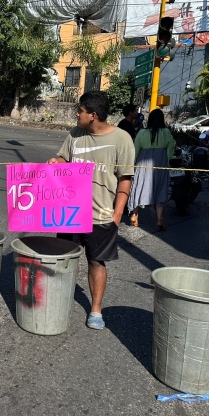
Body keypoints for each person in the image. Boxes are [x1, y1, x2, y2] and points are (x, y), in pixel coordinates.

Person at [48, 91, 134, 330]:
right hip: (70, 212)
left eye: (80, 111)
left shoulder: (122, 139)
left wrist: (117, 215)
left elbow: (125, 178)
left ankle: (96, 309)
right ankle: (59, 300)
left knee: (96, 262)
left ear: (93, 115)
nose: (76, 114)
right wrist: (57, 162)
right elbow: (64, 158)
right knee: (64, 259)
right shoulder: (75, 134)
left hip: (101, 215)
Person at [128, 109, 176, 231]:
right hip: (161, 163)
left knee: (140, 186)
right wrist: (167, 159)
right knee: (160, 188)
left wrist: (133, 164)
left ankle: (134, 214)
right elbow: (171, 146)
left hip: (143, 162)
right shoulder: (166, 132)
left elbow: (136, 149)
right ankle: (160, 218)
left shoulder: (142, 133)